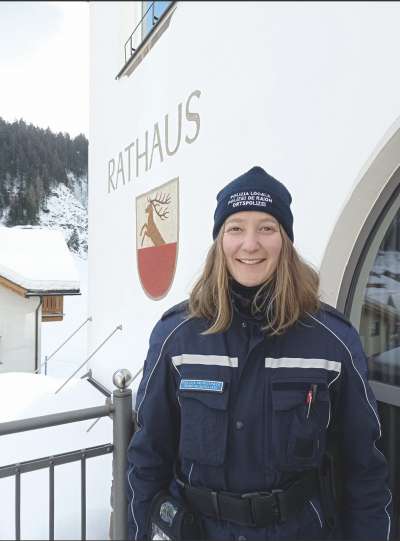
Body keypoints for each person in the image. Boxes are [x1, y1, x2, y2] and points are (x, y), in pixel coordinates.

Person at [127, 166, 392, 541]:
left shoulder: (332, 341)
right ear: (219, 241)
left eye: (266, 227)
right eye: (236, 228)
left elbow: (364, 472)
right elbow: (146, 461)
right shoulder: (177, 337)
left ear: (285, 240)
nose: (250, 244)